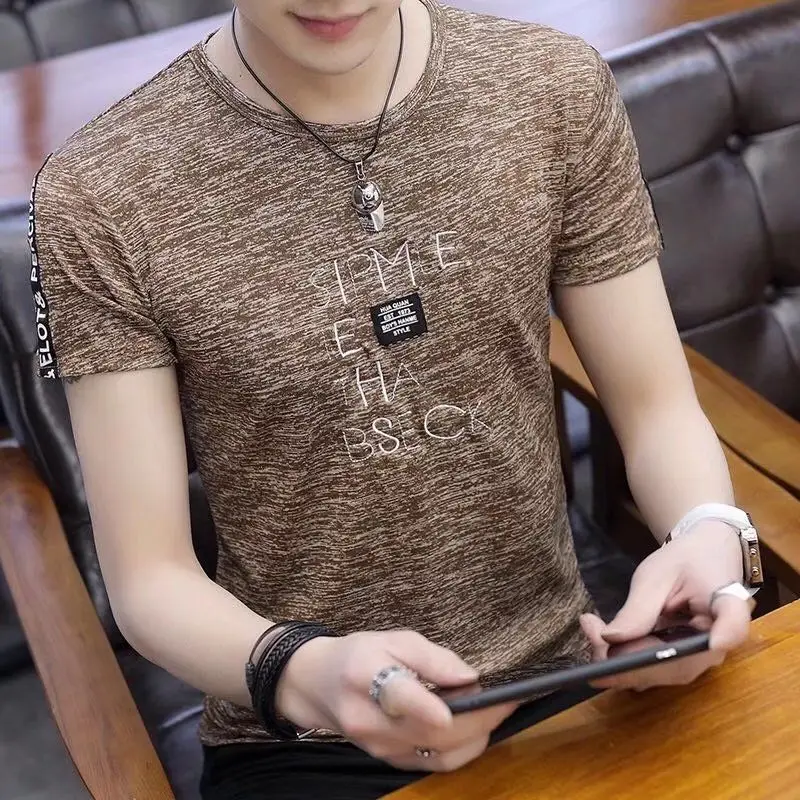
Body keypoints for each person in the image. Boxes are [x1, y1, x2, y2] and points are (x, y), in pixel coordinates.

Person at [28, 1, 759, 798]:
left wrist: (708, 531)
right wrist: (309, 672)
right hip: (306, 733)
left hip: (567, 674)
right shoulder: (99, 195)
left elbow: (657, 410)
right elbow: (148, 581)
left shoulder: (550, 87)